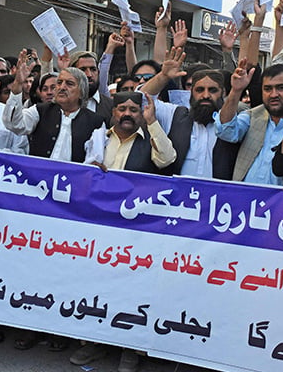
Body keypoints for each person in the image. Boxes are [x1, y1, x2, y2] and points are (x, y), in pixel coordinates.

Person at [76, 91, 176, 371]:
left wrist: (152, 121)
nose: (128, 114)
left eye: (134, 109)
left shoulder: (150, 140)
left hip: (136, 231)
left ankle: (129, 350)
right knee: (97, 287)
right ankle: (94, 344)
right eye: (122, 108)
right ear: (113, 112)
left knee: (132, 290)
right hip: (100, 227)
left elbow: (167, 161)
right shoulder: (99, 138)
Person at [140, 47, 239, 179]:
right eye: (199, 90)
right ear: (191, 93)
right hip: (177, 197)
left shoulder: (233, 124)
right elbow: (141, 100)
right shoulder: (175, 115)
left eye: (212, 90)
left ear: (223, 93)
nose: (205, 95)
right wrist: (163, 76)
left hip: (217, 197)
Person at [3, 51, 105, 163]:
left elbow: (94, 160)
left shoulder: (96, 122)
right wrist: (18, 83)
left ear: (81, 92)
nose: (62, 87)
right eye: (59, 82)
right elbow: (15, 124)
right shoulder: (40, 110)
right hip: (38, 177)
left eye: (69, 84)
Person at [218, 61, 283, 185]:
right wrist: (236, 91)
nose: (274, 94)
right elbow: (226, 131)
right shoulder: (252, 116)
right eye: (267, 89)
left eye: (281, 88)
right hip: (245, 199)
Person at [67, 51, 112, 124]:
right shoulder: (64, 104)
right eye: (83, 70)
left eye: (93, 69)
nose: (89, 75)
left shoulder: (110, 106)